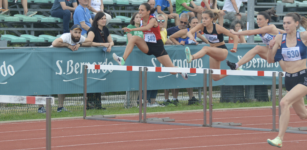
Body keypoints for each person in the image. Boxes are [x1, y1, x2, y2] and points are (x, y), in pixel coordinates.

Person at [113, 3, 188, 79]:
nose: (140, 12)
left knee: (172, 71)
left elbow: (147, 28)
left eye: (142, 10)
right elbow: (136, 25)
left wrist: (132, 29)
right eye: (139, 10)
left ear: (148, 12)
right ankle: (122, 60)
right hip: (147, 45)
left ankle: (179, 69)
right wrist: (131, 28)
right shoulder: (141, 20)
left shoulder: (153, 19)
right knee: (134, 38)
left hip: (158, 47)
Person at [267, 12, 307, 148]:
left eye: (288, 23)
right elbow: (270, 60)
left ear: (296, 24)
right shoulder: (279, 38)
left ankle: (279, 138)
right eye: (284, 23)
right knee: (303, 114)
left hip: (303, 76)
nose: (285, 25)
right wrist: (270, 47)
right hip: (289, 79)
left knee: (284, 102)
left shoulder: (303, 36)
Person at [185, 10, 239, 81]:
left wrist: (234, 48)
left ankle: (191, 57)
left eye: (206, 18)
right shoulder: (201, 26)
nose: (203, 20)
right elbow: (189, 32)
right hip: (213, 52)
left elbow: (235, 36)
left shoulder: (218, 28)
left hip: (222, 51)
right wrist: (191, 37)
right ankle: (234, 69)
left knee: (205, 48)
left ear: (211, 19)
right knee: (215, 78)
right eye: (202, 18)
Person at [51, 24, 91, 112]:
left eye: (79, 33)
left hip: (62, 63)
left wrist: (80, 44)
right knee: (46, 83)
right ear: (71, 32)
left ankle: (60, 107)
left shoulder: (79, 38)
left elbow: (90, 42)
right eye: (75, 32)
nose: (77, 34)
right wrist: (68, 46)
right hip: (50, 59)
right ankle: (41, 107)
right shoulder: (66, 36)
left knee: (63, 83)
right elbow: (54, 43)